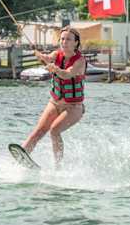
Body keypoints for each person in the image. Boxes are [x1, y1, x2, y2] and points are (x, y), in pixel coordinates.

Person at [21, 27, 86, 167]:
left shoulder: (80, 61)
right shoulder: (57, 54)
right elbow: (47, 58)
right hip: (55, 103)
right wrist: (40, 56)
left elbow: (67, 74)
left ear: (76, 43)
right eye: (62, 39)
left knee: (54, 130)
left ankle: (58, 167)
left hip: (73, 107)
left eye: (68, 39)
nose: (64, 42)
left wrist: (55, 69)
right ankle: (20, 157)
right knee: (39, 131)